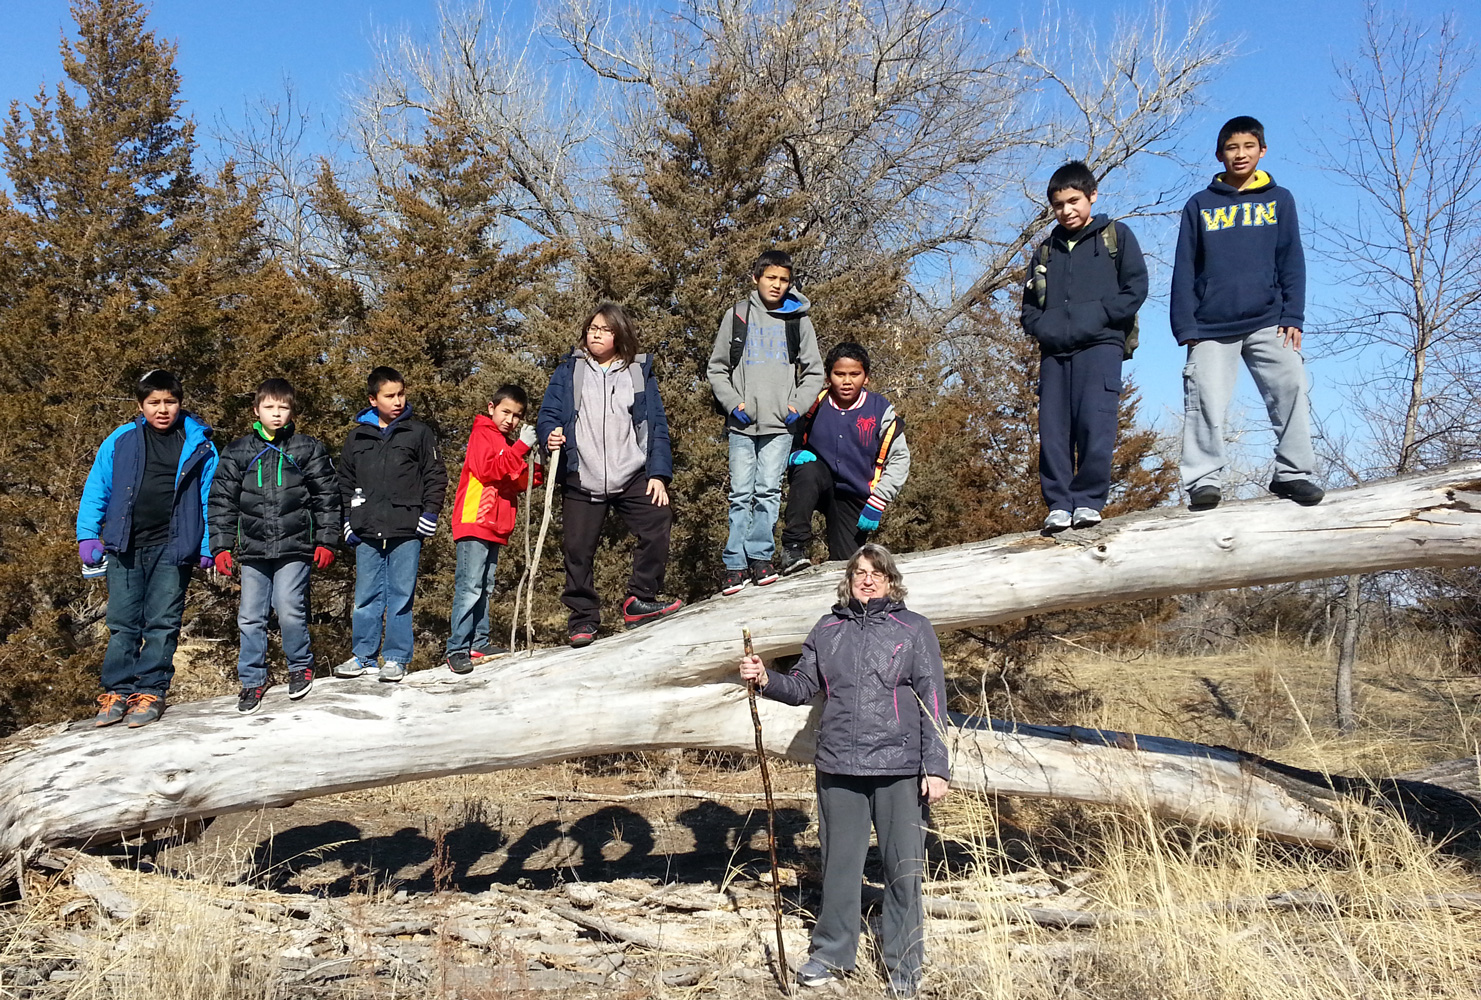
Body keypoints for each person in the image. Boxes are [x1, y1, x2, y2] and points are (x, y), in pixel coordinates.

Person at [739, 543, 950, 997]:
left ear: (892, 581)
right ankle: (832, 952)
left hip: (900, 767)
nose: (867, 579)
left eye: (877, 572)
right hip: (838, 767)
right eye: (859, 572)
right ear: (849, 580)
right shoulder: (828, 628)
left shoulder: (913, 629)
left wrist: (936, 767)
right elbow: (801, 687)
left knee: (903, 869)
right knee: (840, 865)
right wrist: (764, 679)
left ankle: (904, 964)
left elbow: (933, 700)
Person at [1172, 115, 1322, 511]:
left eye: (1248, 147)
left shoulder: (1279, 199)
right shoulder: (1199, 205)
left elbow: (1292, 259)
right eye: (1232, 148)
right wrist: (1185, 324)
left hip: (1269, 320)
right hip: (1210, 325)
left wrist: (1294, 315)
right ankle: (1204, 480)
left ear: (1262, 151)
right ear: (1219, 154)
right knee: (1203, 396)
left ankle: (1293, 474)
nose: (1240, 154)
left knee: (1291, 385)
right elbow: (1184, 267)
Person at [76, 369, 218, 728]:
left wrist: (206, 544)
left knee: (163, 622)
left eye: (170, 401)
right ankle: (117, 691)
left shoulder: (199, 442)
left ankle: (152, 690)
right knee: (123, 622)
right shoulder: (121, 439)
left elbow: (208, 499)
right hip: (125, 545)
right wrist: (88, 534)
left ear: (180, 403)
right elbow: (98, 486)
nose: (162, 409)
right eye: (154, 402)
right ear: (141, 406)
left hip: (173, 547)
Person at [536, 303, 682, 648]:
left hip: (630, 472)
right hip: (581, 475)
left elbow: (656, 425)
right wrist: (549, 436)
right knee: (577, 549)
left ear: (619, 334)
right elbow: (548, 414)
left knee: (658, 520)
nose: (596, 334)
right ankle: (582, 620)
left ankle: (640, 599)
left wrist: (658, 474)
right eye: (592, 328)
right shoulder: (569, 370)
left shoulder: (637, 372)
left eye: (604, 329)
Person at [1021, 160, 1148, 532]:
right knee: (1054, 430)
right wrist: (1046, 329)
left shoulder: (1116, 236)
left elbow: (1135, 288)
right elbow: (1029, 309)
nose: (1067, 210)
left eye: (1074, 201)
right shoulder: (1046, 250)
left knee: (1097, 424)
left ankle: (1089, 501)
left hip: (1102, 347)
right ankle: (1059, 503)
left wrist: (1099, 316)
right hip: (1055, 354)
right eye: (1059, 205)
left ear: (1092, 196)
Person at [207, 378, 340, 714]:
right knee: (250, 616)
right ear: (256, 410)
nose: (276, 414)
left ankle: (300, 667)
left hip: (295, 546)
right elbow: (222, 500)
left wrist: (326, 540)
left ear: (292, 410)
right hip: (253, 549)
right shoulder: (238, 452)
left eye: (283, 407)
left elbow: (327, 497)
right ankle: (252, 680)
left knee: (288, 607)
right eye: (269, 407)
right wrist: (221, 546)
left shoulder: (306, 448)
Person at [707, 249, 824, 595]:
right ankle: (734, 565)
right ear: (756, 278)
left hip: (780, 424)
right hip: (742, 424)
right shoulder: (738, 316)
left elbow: (814, 370)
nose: (776, 285)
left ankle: (760, 557)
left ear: (790, 283)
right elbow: (716, 367)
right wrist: (732, 403)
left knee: (768, 492)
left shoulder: (797, 319)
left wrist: (797, 406)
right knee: (741, 493)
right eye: (770, 277)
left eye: (783, 279)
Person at [333, 366, 447, 682]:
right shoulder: (356, 437)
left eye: (401, 394)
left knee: (400, 595)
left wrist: (430, 514)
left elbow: (435, 476)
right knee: (366, 595)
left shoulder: (419, 433)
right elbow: (346, 482)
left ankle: (396, 658)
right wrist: (348, 519)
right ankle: (364, 657)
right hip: (367, 529)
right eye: (389, 395)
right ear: (373, 399)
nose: (397, 401)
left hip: (407, 526)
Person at [780, 342, 910, 573]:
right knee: (807, 470)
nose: (847, 381)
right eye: (839, 374)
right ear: (829, 377)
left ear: (866, 377)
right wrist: (791, 454)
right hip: (817, 482)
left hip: (855, 496)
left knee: (847, 567)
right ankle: (793, 548)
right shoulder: (812, 403)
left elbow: (900, 459)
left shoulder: (880, 410)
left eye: (854, 374)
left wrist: (879, 500)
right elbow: (784, 434)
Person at [445, 383, 542, 674]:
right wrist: (521, 447)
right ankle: (457, 648)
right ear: (491, 408)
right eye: (505, 412)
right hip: (475, 520)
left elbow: (517, 480)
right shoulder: (482, 434)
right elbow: (488, 469)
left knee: (485, 586)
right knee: (469, 587)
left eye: (517, 415)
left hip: (495, 526)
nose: (510, 420)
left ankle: (479, 640)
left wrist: (537, 463)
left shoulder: (506, 444)